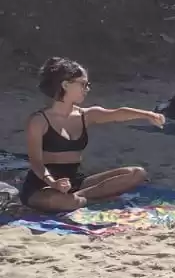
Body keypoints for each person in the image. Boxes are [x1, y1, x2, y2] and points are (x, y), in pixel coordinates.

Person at [18, 57, 165, 212]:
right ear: (66, 85)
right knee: (62, 202)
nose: (87, 88)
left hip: (77, 182)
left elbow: (117, 113)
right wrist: (53, 183)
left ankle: (80, 198)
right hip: (43, 185)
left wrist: (147, 115)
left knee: (137, 173)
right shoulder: (38, 121)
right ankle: (80, 199)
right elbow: (36, 163)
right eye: (83, 84)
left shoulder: (86, 115)